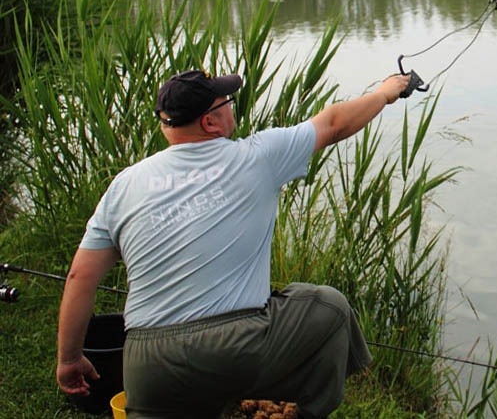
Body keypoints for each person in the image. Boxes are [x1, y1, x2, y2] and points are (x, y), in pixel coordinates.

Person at [56, 68, 410, 418]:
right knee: (329, 308)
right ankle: (302, 411)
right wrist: (385, 92)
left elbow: (80, 278)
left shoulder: (124, 184)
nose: (232, 108)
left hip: (147, 362)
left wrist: (69, 359)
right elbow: (333, 123)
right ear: (210, 122)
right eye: (228, 101)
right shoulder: (257, 157)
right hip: (235, 349)